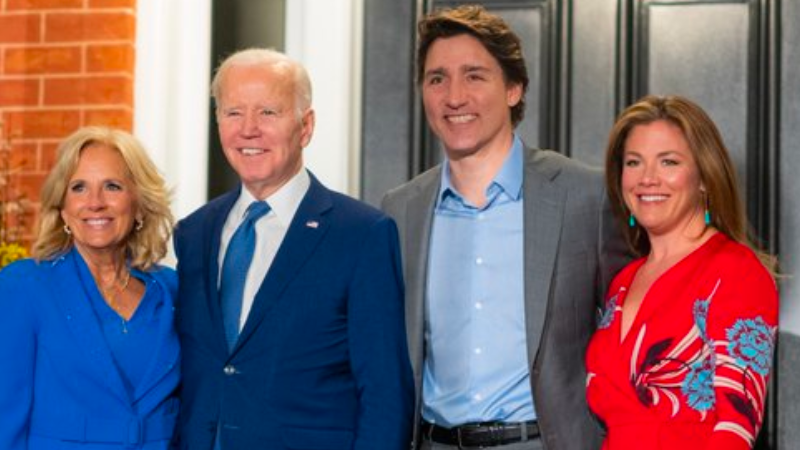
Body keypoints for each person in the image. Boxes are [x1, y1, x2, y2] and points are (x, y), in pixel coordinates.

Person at [381, 5, 629, 450]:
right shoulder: (400, 211)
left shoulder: (585, 198)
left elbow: (636, 334)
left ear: (514, 89)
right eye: (437, 79)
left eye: (474, 76)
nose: (454, 97)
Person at [173, 48, 413, 450]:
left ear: (306, 126)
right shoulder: (194, 233)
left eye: (268, 112)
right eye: (233, 113)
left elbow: (385, 396)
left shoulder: (361, 234)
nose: (248, 129)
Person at [585, 95, 779, 449]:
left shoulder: (735, 272)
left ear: (704, 177)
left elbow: (736, 428)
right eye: (633, 162)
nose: (647, 178)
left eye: (668, 162)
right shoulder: (623, 280)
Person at [0, 126, 179, 449]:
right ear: (63, 208)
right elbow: (5, 420)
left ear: (139, 204)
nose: (95, 203)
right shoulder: (24, 287)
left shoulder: (173, 290)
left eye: (112, 186)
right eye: (79, 188)